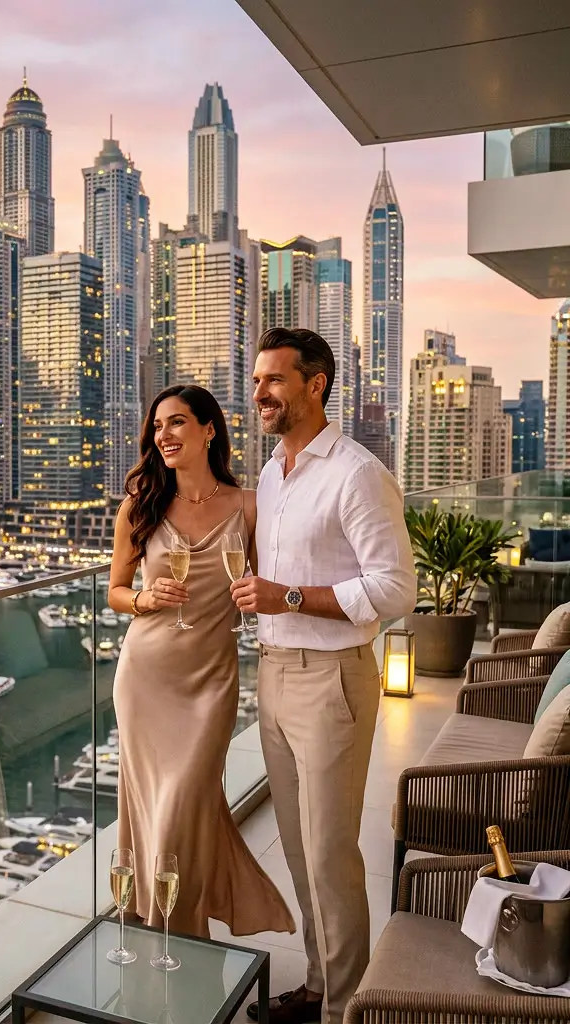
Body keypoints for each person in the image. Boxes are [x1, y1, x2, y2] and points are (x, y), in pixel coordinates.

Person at [230, 328, 416, 1024]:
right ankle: (318, 987)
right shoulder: (272, 474)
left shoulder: (358, 474)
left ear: (316, 384)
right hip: (274, 673)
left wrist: (286, 596)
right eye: (256, 380)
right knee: (300, 850)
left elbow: (396, 588)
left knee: (331, 853)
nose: (260, 393)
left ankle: (345, 1010)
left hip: (332, 677)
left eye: (274, 380)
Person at [108, 383, 295, 940]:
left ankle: (174, 927)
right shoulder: (140, 506)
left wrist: (264, 596)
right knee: (154, 807)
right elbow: (116, 591)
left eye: (177, 422)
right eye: (157, 426)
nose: (164, 435)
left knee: (185, 804)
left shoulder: (249, 506)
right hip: (146, 677)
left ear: (209, 429)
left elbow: (269, 582)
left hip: (211, 680)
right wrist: (145, 599)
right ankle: (166, 930)